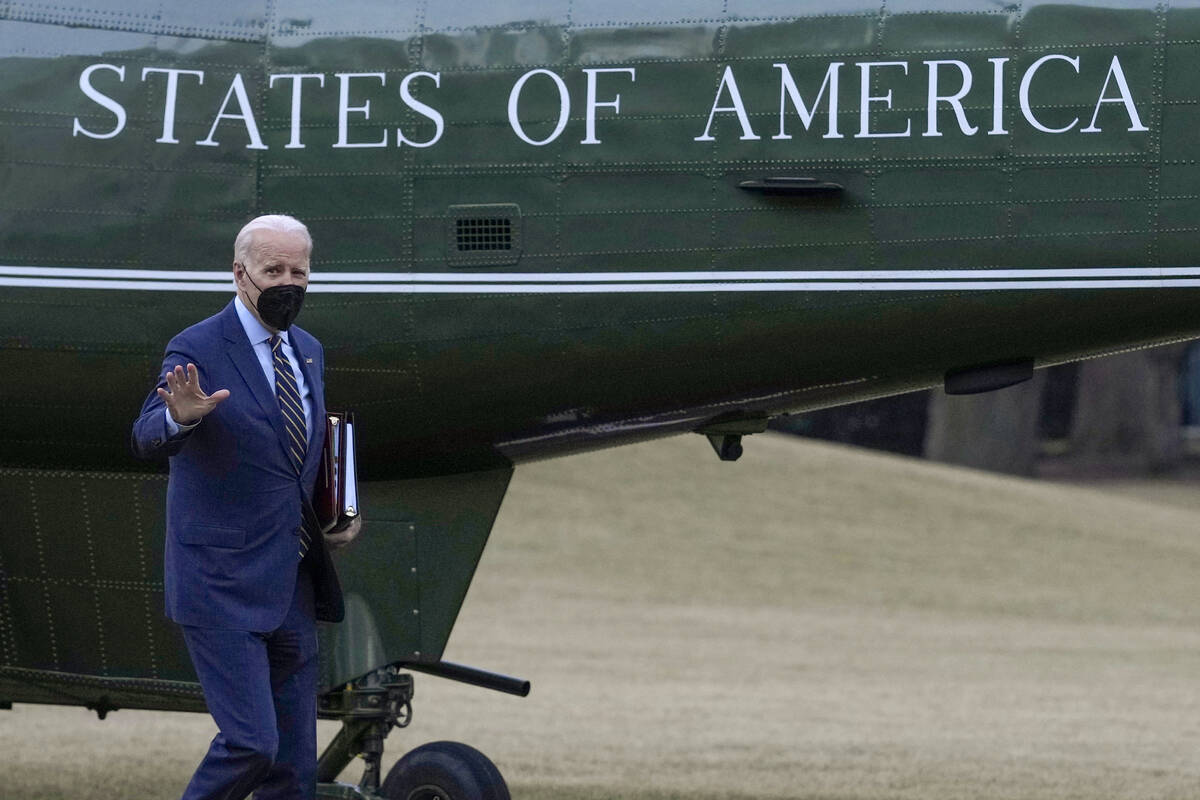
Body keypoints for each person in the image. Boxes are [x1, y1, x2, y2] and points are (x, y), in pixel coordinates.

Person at [131, 214, 361, 800]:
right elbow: (147, 432)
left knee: (292, 769)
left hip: (290, 583)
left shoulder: (308, 351)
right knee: (251, 744)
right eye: (273, 270)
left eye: (299, 271)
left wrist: (334, 510)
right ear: (240, 275)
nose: (289, 282)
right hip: (220, 581)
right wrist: (179, 417)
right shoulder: (199, 345)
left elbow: (294, 459)